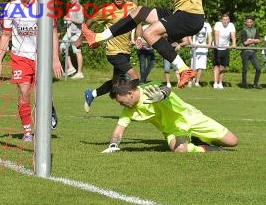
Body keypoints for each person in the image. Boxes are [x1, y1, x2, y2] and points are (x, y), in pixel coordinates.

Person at [85, 0, 204, 89]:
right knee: (139, 12)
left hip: (190, 14)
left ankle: (183, 69)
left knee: (149, 33)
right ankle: (98, 37)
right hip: (187, 13)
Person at [0, 0, 63, 142]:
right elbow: (6, 35)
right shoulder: (11, 7)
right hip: (20, 56)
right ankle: (27, 132)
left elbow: (54, 33)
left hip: (42, 56)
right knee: (24, 92)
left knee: (41, 93)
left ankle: (49, 105)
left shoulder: (45, 6)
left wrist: (55, 59)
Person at [102, 80, 239, 153]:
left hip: (191, 117)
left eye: (121, 101)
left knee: (233, 141)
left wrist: (161, 95)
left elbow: (165, 88)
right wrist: (113, 145)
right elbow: (119, 129)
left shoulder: (149, 88)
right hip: (173, 129)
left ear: (130, 94)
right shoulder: (129, 109)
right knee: (180, 150)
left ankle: (198, 137)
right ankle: (207, 148)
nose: (122, 105)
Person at [79, 0, 147, 112]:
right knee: (134, 77)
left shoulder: (132, 7)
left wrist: (139, 37)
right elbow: (88, 22)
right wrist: (81, 39)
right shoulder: (106, 10)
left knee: (116, 83)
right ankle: (137, 106)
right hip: (113, 52)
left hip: (126, 51)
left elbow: (138, 24)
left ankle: (92, 94)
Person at [60, 0, 84, 79]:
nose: (72, 1)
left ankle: (80, 73)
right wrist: (65, 18)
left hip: (76, 33)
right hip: (69, 32)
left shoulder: (79, 8)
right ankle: (71, 67)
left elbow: (81, 21)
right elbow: (67, 18)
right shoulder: (70, 8)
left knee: (77, 51)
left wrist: (70, 19)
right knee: (62, 47)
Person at [213, 13, 236, 89]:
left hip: (225, 47)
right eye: (224, 20)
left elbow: (233, 36)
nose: (225, 21)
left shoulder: (231, 25)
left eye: (227, 20)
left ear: (229, 20)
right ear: (221, 20)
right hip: (217, 47)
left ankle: (220, 83)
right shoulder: (218, 24)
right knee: (217, 66)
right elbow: (216, 34)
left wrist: (234, 44)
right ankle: (215, 83)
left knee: (223, 66)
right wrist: (217, 44)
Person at [188, 21, 212, 87]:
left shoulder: (207, 25)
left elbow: (210, 35)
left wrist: (209, 44)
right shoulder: (194, 23)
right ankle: (190, 81)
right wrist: (191, 43)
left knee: (201, 67)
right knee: (193, 67)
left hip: (203, 48)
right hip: (195, 48)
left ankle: (197, 82)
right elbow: (189, 34)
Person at [240, 16, 262, 89]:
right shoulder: (243, 30)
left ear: (253, 22)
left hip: (253, 52)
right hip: (245, 51)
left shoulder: (256, 30)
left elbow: (258, 41)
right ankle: (244, 83)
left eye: (250, 22)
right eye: (247, 22)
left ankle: (255, 84)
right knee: (245, 69)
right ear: (245, 22)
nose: (249, 23)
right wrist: (253, 40)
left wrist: (250, 40)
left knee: (258, 68)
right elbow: (245, 43)